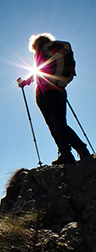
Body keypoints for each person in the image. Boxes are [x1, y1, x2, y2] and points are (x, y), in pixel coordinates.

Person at [17, 33, 90, 165]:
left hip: (45, 93)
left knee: (54, 124)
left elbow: (38, 71)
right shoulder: (53, 50)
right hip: (59, 91)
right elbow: (40, 71)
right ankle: (79, 150)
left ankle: (67, 152)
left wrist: (25, 82)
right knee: (60, 123)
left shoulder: (41, 53)